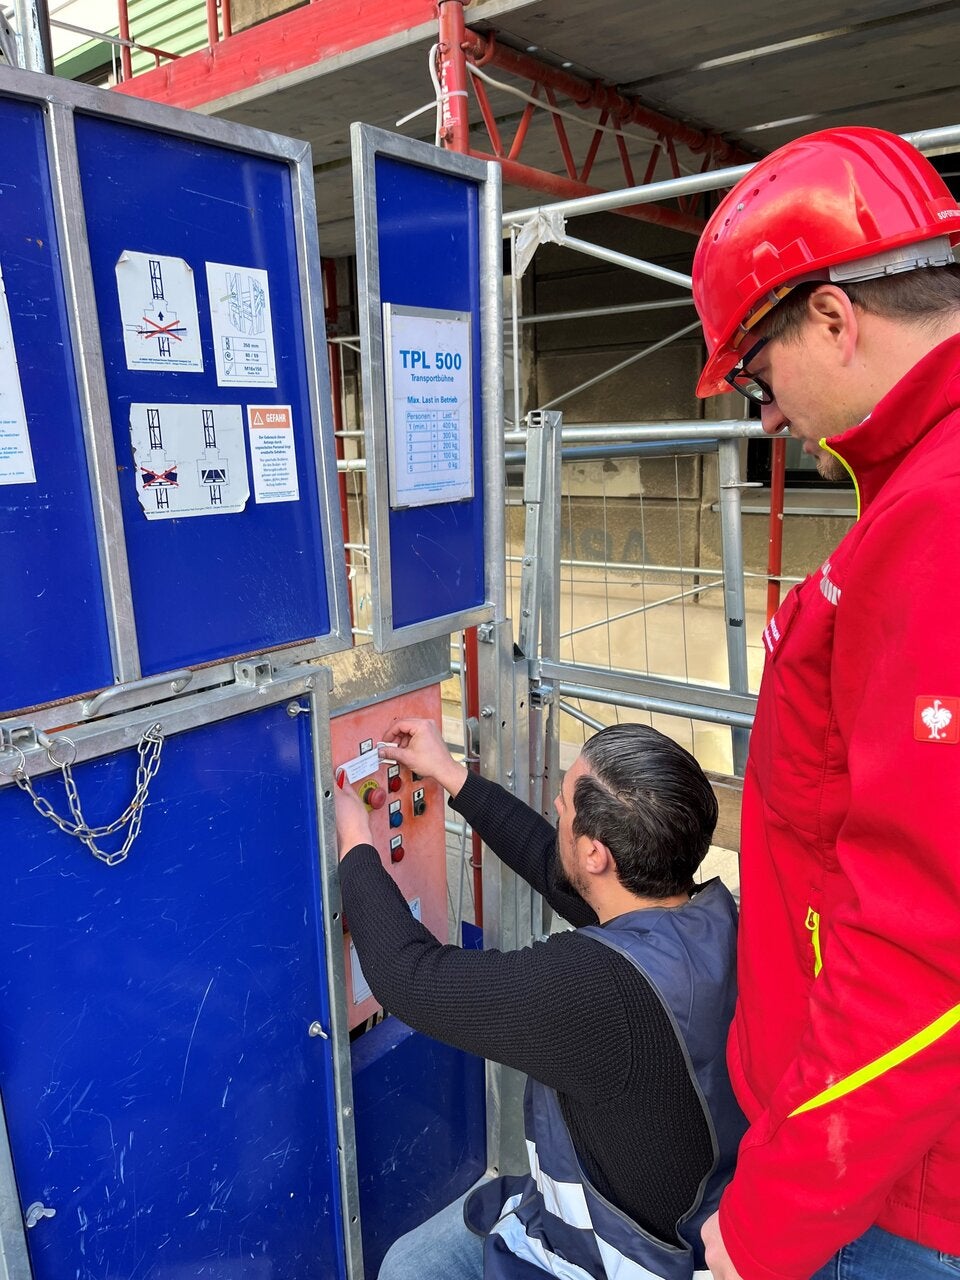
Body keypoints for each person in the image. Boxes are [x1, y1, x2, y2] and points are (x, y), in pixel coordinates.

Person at [690, 125, 960, 1280]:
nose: (765, 414)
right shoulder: (914, 487)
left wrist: (769, 1222)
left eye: (758, 375)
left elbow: (926, 941)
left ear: (835, 318)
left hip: (887, 1189)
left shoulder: (937, 517)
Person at [334, 718, 745, 1280]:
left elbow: (408, 976)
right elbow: (559, 872)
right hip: (691, 1218)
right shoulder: (712, 919)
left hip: (615, 1257)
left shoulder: (594, 991)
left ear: (597, 854)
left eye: (565, 803)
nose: (555, 805)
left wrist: (355, 842)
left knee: (408, 1268)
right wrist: (451, 775)